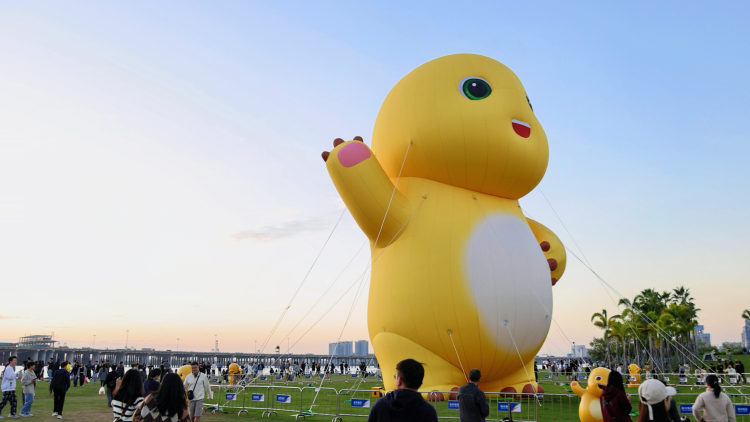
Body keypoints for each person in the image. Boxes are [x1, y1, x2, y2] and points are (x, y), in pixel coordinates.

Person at [367, 359, 438, 422]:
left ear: (399, 380)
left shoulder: (380, 405)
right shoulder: (428, 411)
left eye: (396, 377)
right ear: (420, 382)